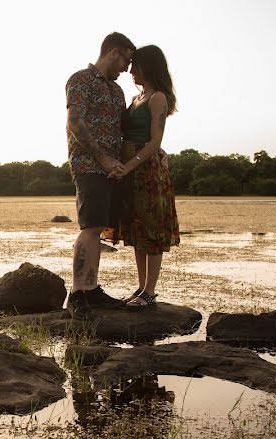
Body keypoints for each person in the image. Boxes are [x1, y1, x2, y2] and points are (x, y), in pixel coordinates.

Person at [64, 32, 136, 318]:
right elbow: (74, 122)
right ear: (113, 52)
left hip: (112, 168)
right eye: (126, 60)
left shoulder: (117, 92)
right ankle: (78, 294)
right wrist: (102, 158)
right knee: (90, 227)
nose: (127, 68)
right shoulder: (80, 80)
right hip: (88, 165)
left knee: (99, 228)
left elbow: (123, 132)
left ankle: (91, 290)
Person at [109, 45, 180, 309]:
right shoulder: (137, 98)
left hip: (147, 171)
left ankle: (150, 291)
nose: (130, 70)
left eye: (135, 65)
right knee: (137, 229)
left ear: (147, 66)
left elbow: (154, 142)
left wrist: (128, 167)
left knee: (151, 229)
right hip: (131, 170)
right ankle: (141, 287)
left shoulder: (157, 98)